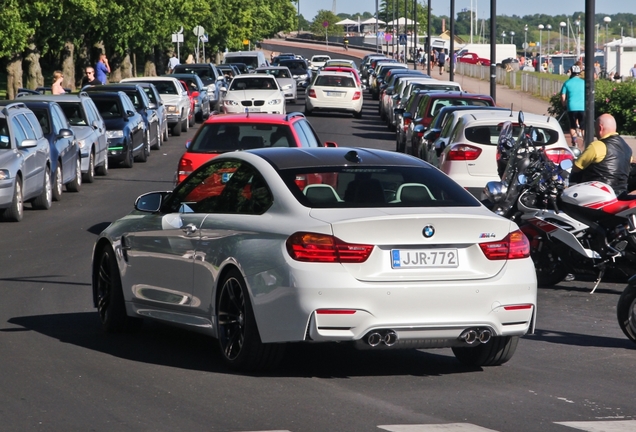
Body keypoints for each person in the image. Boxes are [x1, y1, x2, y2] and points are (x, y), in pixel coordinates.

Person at [572, 114, 633, 197]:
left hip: (597, 196)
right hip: (620, 196)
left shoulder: (597, 146)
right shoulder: (627, 148)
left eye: (595, 128)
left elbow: (576, 168)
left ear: (600, 128)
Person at [560, 64, 585, 150]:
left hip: (571, 107)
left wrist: (564, 105)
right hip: (583, 107)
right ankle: (585, 141)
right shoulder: (584, 82)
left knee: (572, 125)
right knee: (583, 126)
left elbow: (563, 96)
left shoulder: (567, 83)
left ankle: (575, 141)